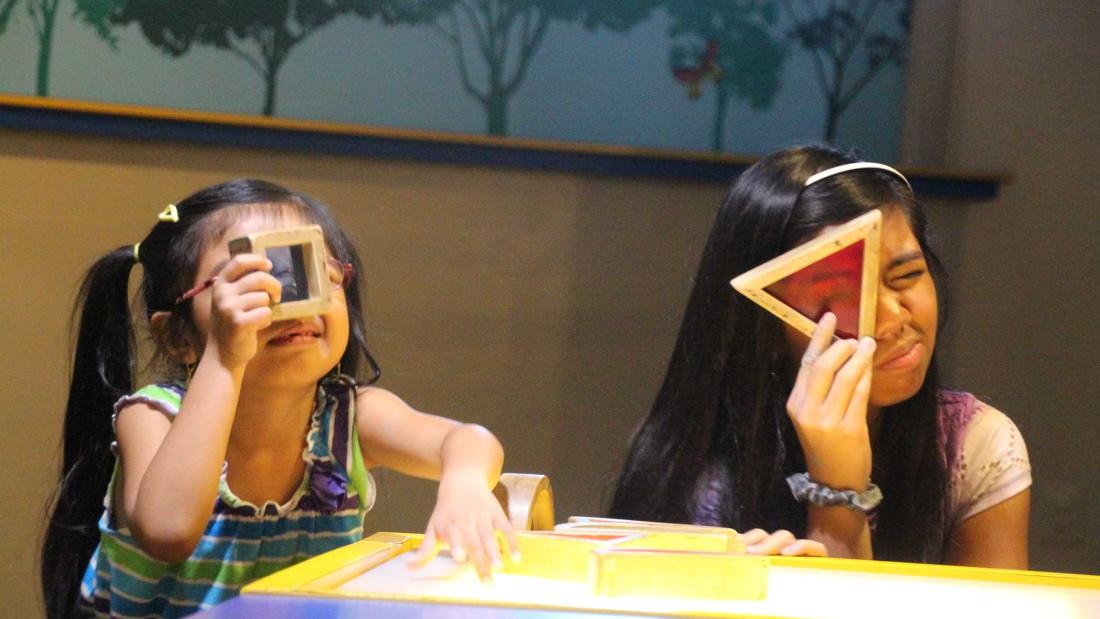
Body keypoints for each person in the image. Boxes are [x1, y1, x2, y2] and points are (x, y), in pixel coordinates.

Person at [41, 179, 518, 618]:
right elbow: (169, 532)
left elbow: (465, 440)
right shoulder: (154, 414)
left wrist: (465, 483)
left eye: (313, 272)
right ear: (177, 338)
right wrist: (226, 359)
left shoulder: (348, 416)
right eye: (250, 281)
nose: (288, 301)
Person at [609, 145, 1031, 566]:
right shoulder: (691, 463)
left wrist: (840, 488)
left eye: (907, 276)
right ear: (764, 325)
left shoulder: (973, 447)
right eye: (839, 299)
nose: (890, 319)